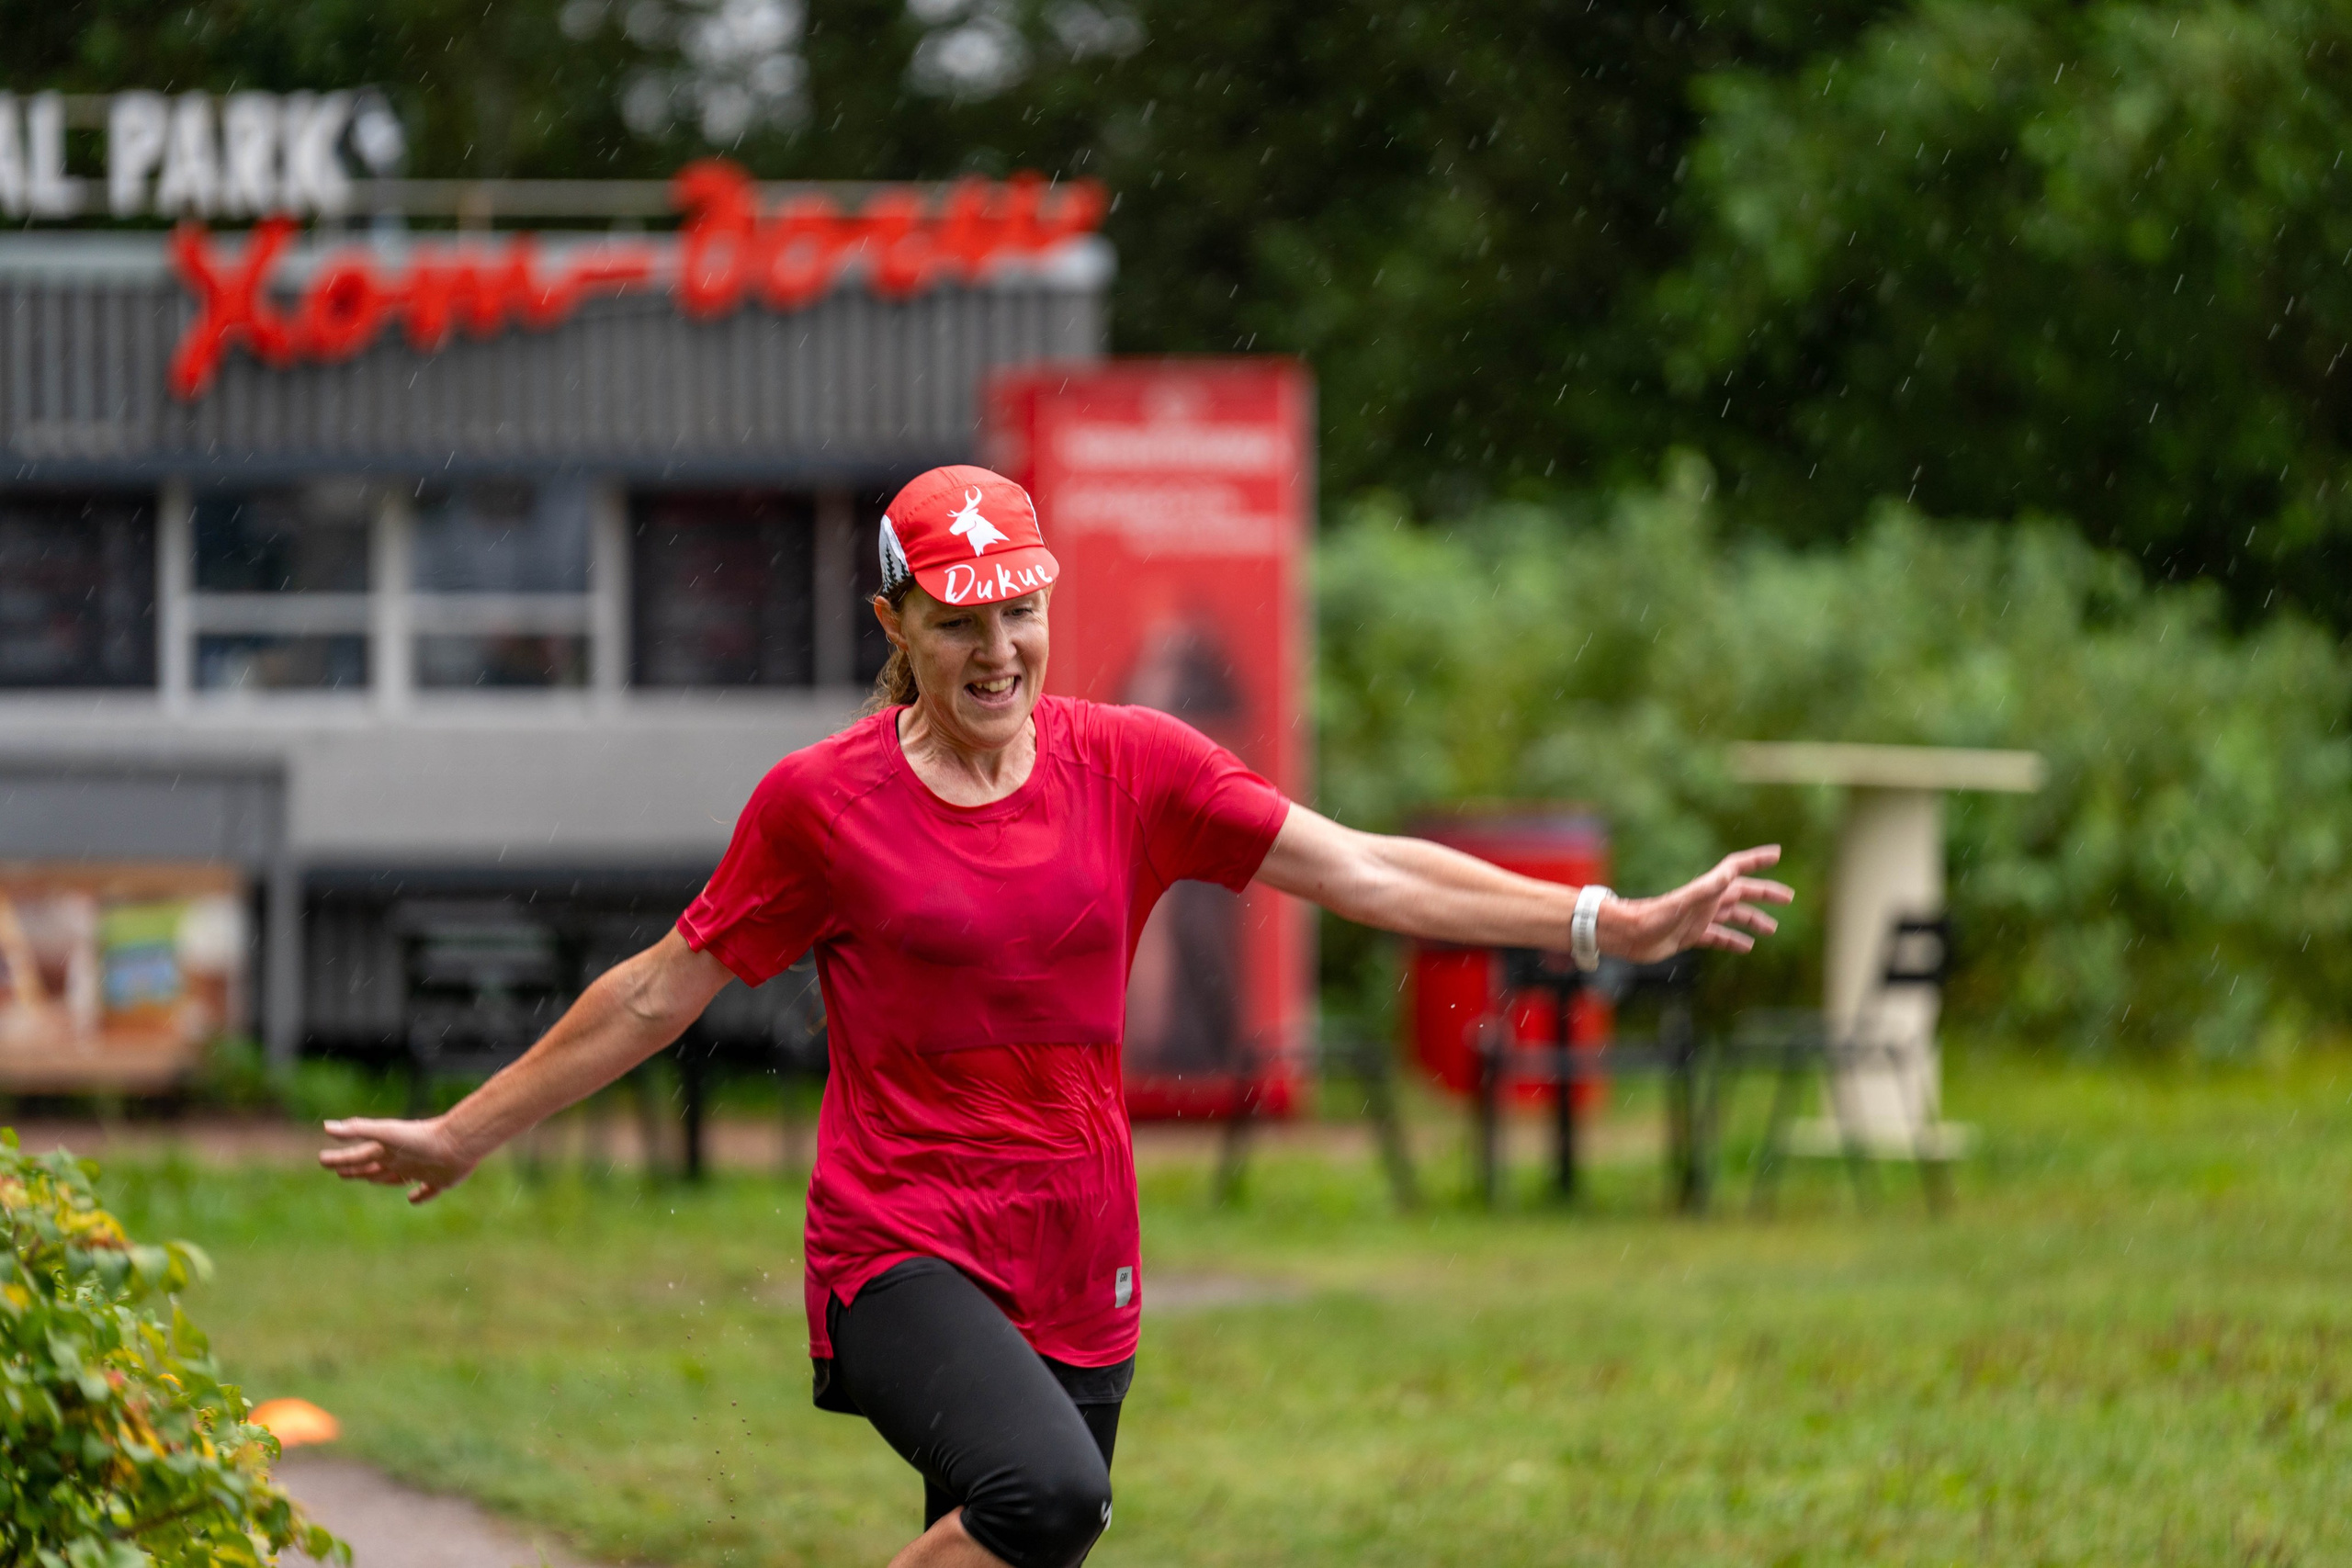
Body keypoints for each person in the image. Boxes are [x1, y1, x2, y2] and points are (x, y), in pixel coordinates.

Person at [321, 464, 1792, 1568]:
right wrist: (466, 1130)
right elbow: (659, 987)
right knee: (1050, 1497)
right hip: (898, 1238)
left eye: (1018, 613)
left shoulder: (1133, 766)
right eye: (958, 622)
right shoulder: (824, 807)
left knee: (1026, 1545)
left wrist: (1607, 922)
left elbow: (1359, 868)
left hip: (1081, 1244)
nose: (996, 652)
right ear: (896, 619)